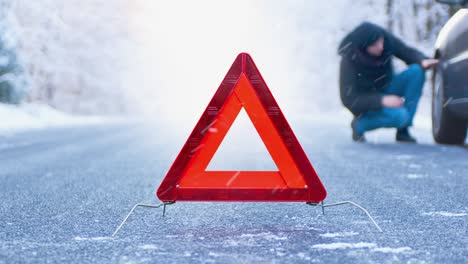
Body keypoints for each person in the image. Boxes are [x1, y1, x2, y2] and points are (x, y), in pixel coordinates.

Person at [338, 22, 438, 143]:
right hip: (368, 99)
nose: (381, 46)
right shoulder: (349, 60)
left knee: (417, 71)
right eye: (375, 44)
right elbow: (349, 99)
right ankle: (359, 125)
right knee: (400, 116)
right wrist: (381, 101)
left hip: (387, 85)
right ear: (364, 47)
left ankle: (403, 129)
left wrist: (422, 60)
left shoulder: (385, 39)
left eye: (381, 41)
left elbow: (406, 52)